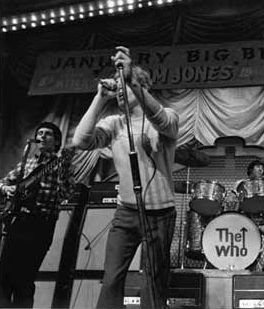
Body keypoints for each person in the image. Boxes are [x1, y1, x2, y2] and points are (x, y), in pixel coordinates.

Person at [72, 46, 179, 309]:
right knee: (111, 280)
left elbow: (162, 121)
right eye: (118, 88)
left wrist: (131, 78)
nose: (120, 92)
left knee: (153, 282)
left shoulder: (167, 116)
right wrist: (99, 98)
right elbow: (81, 140)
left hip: (159, 213)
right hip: (125, 212)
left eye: (126, 87)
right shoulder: (113, 123)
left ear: (141, 87)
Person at [0, 122, 75, 308]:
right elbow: (3, 181)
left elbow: (67, 193)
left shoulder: (60, 164)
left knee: (24, 278)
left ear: (56, 141)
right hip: (19, 221)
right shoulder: (28, 161)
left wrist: (65, 164)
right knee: (3, 275)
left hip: (41, 224)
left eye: (47, 134)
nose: (42, 136)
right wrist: (6, 188)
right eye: (39, 133)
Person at [236, 160, 264, 272]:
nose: (261, 170)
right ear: (251, 169)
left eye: (262, 168)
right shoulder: (241, 183)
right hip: (247, 221)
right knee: (254, 248)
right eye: (258, 167)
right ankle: (248, 265)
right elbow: (238, 203)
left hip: (263, 221)